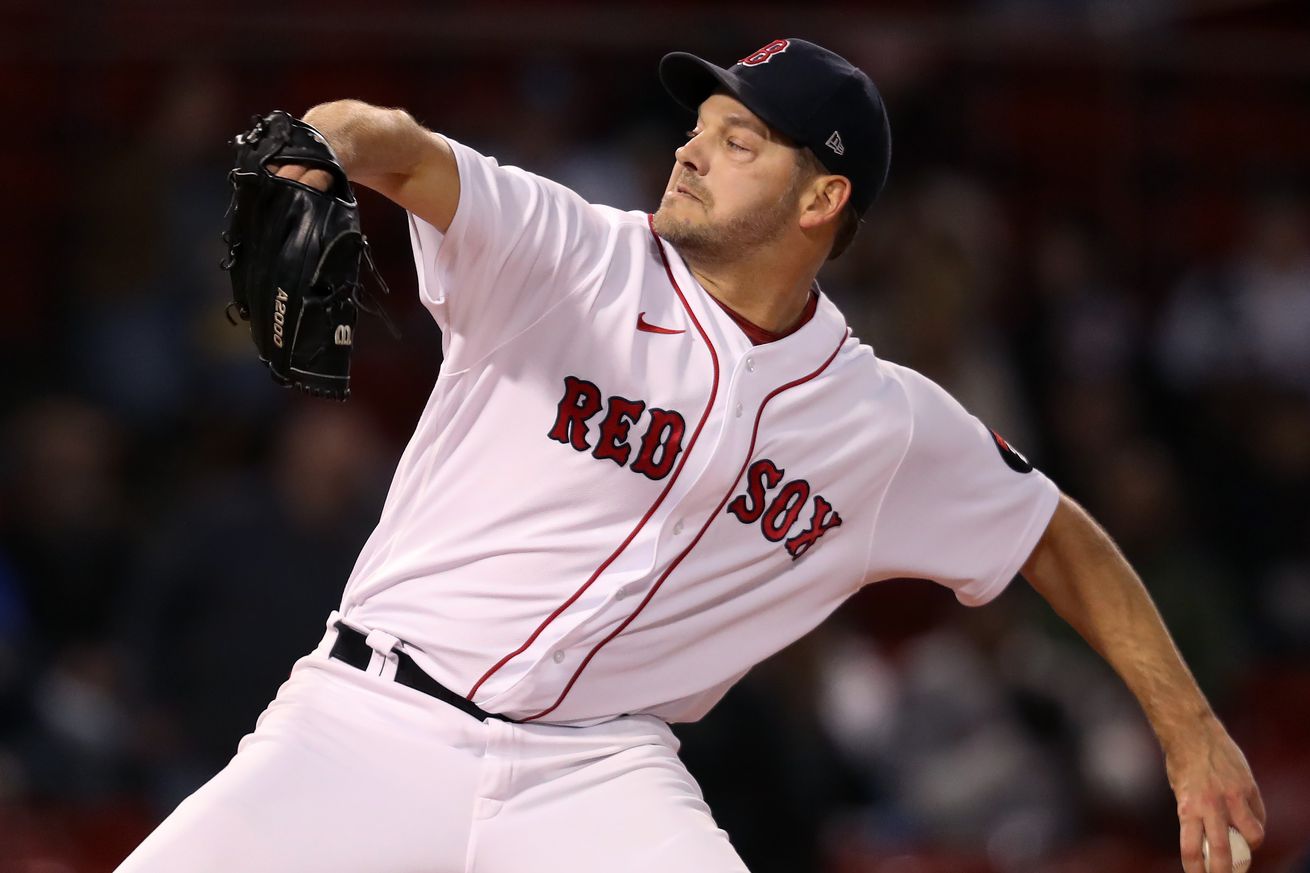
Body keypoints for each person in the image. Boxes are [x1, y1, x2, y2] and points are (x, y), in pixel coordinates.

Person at [116, 38, 1264, 873]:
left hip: (595, 776)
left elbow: (1053, 535)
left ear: (822, 197)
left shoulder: (882, 421)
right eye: (696, 127)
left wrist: (1190, 732)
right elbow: (399, 149)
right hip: (372, 722)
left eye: (737, 139)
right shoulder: (573, 252)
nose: (691, 151)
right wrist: (322, 146)